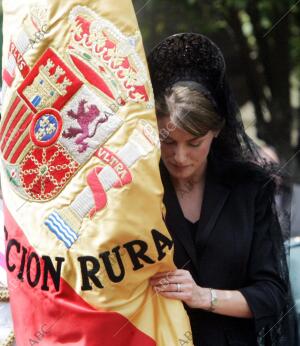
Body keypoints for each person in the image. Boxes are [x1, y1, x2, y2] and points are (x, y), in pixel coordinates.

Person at [147, 33, 295, 345]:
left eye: (194, 143)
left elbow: (271, 296)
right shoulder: (138, 190)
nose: (180, 156)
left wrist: (202, 296)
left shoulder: (250, 188)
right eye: (168, 142)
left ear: (216, 131)